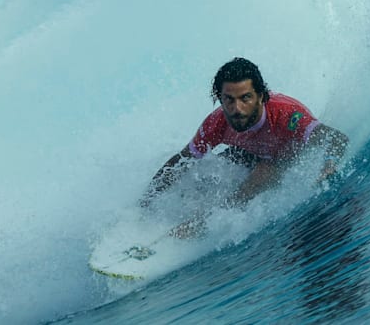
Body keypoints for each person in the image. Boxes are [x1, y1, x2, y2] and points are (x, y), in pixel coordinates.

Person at [141, 57, 349, 235]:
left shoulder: (286, 115)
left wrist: (329, 164)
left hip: (286, 155)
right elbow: (182, 160)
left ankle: (200, 227)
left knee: (258, 178)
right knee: (204, 174)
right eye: (229, 100)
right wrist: (145, 202)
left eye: (245, 98)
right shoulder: (216, 123)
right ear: (219, 98)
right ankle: (180, 220)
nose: (236, 109)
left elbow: (336, 138)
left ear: (261, 96)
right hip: (250, 152)